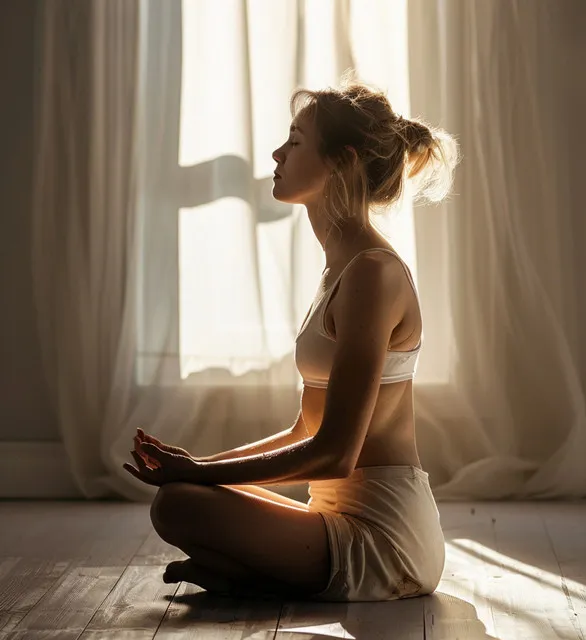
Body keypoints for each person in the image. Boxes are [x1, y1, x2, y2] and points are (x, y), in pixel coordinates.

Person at [123, 81, 459, 602]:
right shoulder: (340, 270)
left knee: (177, 505)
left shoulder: (373, 273)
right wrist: (202, 468)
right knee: (183, 494)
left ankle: (251, 576)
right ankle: (252, 575)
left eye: (296, 141)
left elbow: (335, 454)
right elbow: (308, 427)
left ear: (339, 163)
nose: (277, 154)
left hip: (385, 539)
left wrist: (202, 475)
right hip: (330, 519)